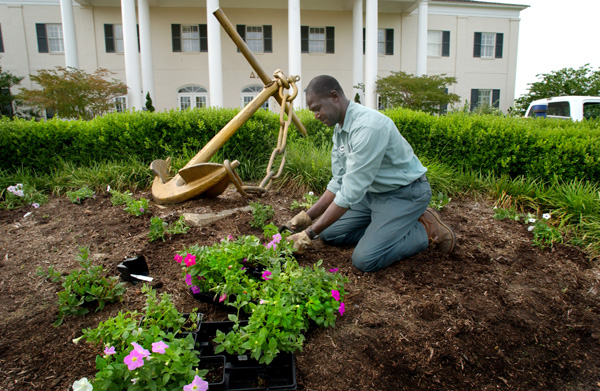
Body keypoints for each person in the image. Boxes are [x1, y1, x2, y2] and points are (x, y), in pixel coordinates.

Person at [285, 75, 456, 272]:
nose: (315, 115)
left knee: (365, 259)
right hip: (373, 194)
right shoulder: (340, 130)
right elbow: (338, 182)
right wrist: (306, 217)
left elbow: (349, 194)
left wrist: (309, 234)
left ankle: (425, 229)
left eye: (317, 108)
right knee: (330, 234)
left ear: (334, 97)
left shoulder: (367, 128)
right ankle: (385, 230)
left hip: (404, 194)